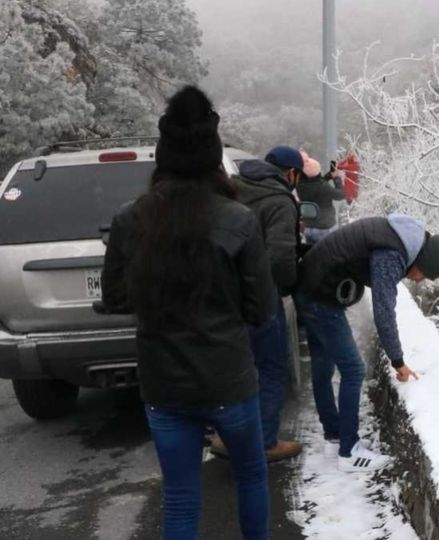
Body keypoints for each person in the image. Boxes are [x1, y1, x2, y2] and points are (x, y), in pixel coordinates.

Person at [101, 85, 275, 540]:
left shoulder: (129, 220)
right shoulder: (238, 220)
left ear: (163, 158)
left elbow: (116, 298)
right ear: (214, 158)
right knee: (253, 477)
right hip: (229, 381)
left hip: (164, 385)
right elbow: (262, 309)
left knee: (180, 496)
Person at [297, 214, 439, 472]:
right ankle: (348, 452)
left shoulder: (401, 236)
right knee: (354, 370)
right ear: (421, 260)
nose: (418, 280)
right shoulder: (392, 254)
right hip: (319, 294)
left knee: (323, 366)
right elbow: (383, 311)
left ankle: (335, 436)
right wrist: (398, 361)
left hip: (312, 284)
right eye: (422, 274)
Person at [213, 145, 306, 462]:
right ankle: (264, 441)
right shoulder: (280, 200)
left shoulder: (232, 188)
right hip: (260, 298)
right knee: (271, 369)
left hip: (223, 295)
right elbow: (281, 258)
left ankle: (227, 437)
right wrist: (289, 285)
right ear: (290, 173)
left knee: (235, 367)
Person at [297, 152, 345, 244]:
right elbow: (341, 195)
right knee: (326, 255)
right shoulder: (323, 187)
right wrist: (336, 178)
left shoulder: (300, 185)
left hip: (308, 229)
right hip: (323, 229)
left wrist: (329, 175)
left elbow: (316, 183)